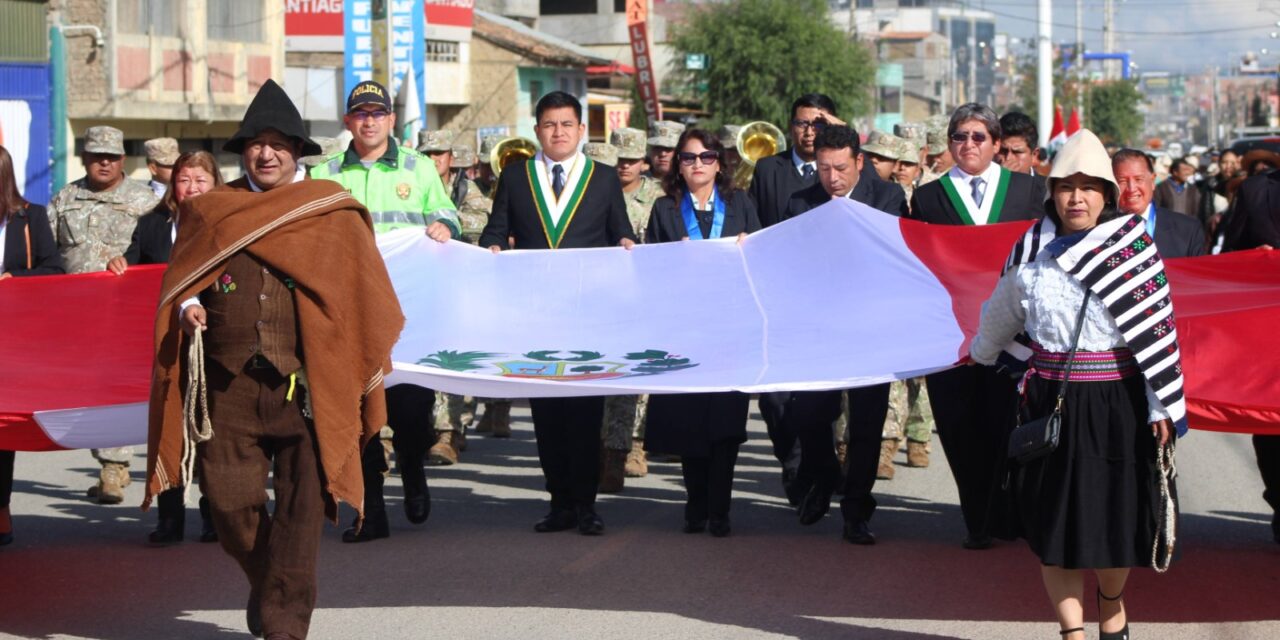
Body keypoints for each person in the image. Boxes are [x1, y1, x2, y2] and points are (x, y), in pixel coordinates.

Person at [146, 79, 404, 640]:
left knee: (301, 515)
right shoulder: (212, 209)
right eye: (256, 144)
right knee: (230, 509)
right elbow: (182, 276)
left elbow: (364, 295)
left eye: (279, 144)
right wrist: (190, 302)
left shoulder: (329, 209)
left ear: (297, 152)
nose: (266, 154)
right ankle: (271, 590)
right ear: (243, 152)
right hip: (227, 385)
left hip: (308, 386)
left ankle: (284, 627)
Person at [970, 129, 1184, 640]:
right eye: (1066, 185)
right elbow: (997, 321)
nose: (1076, 197)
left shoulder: (1134, 249)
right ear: (1052, 191)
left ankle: (1111, 606)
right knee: (1052, 525)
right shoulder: (1030, 251)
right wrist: (975, 356)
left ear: (1107, 194)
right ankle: (1072, 634)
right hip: (1050, 404)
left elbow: (1160, 332)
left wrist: (1160, 407)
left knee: (1114, 522)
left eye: (1089, 186)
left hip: (1119, 405)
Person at [478, 90, 637, 536]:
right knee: (547, 416)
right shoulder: (515, 176)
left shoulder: (602, 178)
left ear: (582, 130)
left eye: (567, 124)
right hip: (535, 314)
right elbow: (496, 229)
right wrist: (489, 247)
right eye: (550, 124)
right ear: (537, 131)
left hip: (588, 314)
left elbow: (619, 233)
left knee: (586, 414)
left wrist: (626, 246)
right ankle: (559, 502)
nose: (559, 132)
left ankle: (586, 504)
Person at [310, 80, 459, 541]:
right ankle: (370, 512)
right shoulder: (325, 174)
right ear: (347, 121)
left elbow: (448, 213)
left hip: (405, 315)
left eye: (378, 113)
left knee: (411, 411)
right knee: (359, 418)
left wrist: (443, 225)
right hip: (349, 315)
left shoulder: (418, 169)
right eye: (361, 113)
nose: (370, 120)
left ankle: (414, 470)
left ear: (392, 120)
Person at [908, 103, 1046, 550]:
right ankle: (977, 520)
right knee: (959, 425)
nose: (968, 145)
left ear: (996, 143)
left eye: (978, 137)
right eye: (959, 137)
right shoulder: (928, 198)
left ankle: (1012, 512)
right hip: (952, 334)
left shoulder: (1029, 190)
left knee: (1007, 425)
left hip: (1017, 334)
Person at [779, 124, 907, 544]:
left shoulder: (887, 199)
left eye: (839, 168)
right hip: (820, 331)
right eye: (823, 169)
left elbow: (896, 258)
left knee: (866, 425)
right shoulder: (801, 202)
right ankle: (826, 474)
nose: (832, 178)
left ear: (859, 162)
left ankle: (856, 510)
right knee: (810, 414)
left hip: (872, 330)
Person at [643, 128, 758, 537]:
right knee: (691, 425)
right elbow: (650, 270)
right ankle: (695, 505)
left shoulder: (741, 203)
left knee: (725, 426)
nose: (698, 165)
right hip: (685, 330)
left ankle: (721, 509)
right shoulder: (664, 209)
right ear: (678, 163)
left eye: (706, 157)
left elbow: (761, 262)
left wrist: (751, 247)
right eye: (689, 158)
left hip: (730, 330)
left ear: (719, 162)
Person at [108, 150, 225, 545]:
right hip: (168, 345)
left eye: (200, 180)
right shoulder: (154, 225)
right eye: (184, 179)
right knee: (169, 428)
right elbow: (134, 269)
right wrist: (119, 265)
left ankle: (214, 517)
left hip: (217, 342)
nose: (191, 188)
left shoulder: (230, 222)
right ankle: (170, 517)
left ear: (215, 183)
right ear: (173, 183)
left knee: (213, 431)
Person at [48, 125, 160, 504]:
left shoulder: (145, 201)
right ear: (84, 158)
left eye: (111, 156)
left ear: (122, 160)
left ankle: (114, 466)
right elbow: (47, 252)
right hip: (75, 313)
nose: (104, 163)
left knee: (116, 386)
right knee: (84, 389)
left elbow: (158, 249)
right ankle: (104, 458)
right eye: (97, 156)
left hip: (124, 311)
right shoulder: (64, 198)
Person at [747, 93, 842, 504]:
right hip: (777, 300)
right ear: (790, 126)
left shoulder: (840, 169)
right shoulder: (769, 169)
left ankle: (814, 469)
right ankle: (794, 462)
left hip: (828, 303)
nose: (810, 131)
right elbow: (753, 225)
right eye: (803, 123)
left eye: (819, 124)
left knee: (822, 395)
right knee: (775, 397)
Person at [0, 144, 65, 547]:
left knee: (2, 426)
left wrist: (13, 280)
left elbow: (53, 269)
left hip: (13, 338)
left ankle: (1, 507)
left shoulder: (31, 217)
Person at [600, 126, 665, 488]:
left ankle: (626, 450)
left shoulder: (658, 197)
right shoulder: (598, 190)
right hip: (601, 298)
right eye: (619, 160)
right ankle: (599, 453)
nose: (624, 166)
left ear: (644, 162)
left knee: (633, 381)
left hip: (640, 298)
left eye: (632, 160)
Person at [1219, 167, 1280, 544]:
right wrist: (1252, 258)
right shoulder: (1258, 189)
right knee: (1272, 434)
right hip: (1267, 339)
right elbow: (1228, 257)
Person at [1112, 149, 1207, 259]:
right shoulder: (1098, 229)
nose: (1131, 189)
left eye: (1138, 179)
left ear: (1152, 181)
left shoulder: (1188, 230)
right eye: (1122, 181)